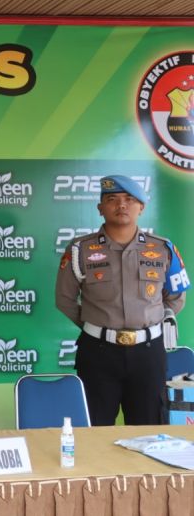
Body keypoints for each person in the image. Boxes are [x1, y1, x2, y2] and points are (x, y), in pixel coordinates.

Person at [55, 175, 188, 426]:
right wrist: (97, 326)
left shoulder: (163, 249)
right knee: (94, 428)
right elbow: (64, 299)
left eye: (129, 199)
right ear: (100, 208)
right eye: (112, 199)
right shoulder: (80, 250)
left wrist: (153, 320)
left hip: (148, 353)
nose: (121, 205)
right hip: (98, 353)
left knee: (148, 432)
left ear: (141, 207)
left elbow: (176, 297)